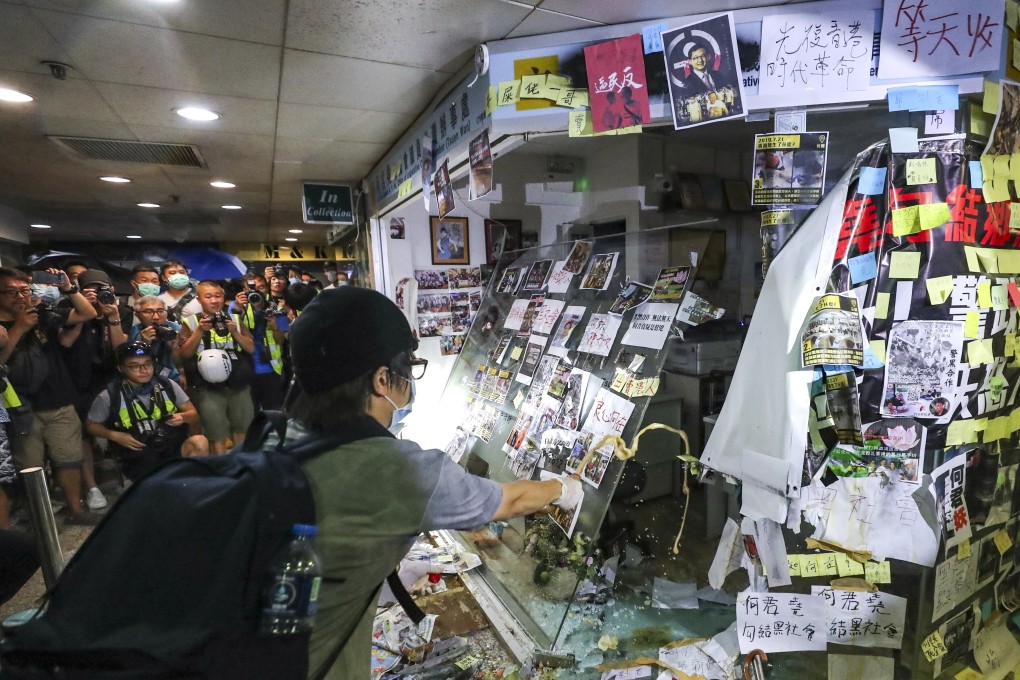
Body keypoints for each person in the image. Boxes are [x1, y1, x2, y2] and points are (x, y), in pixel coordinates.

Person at [282, 287, 583, 678]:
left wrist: (382, 580)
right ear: (381, 380)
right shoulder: (395, 468)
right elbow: (509, 501)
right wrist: (566, 489)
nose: (410, 380)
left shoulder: (279, 437)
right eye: (408, 366)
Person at [0, 267, 99, 524]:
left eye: (24, 290)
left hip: (59, 399)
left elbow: (88, 313)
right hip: (20, 407)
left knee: (69, 458)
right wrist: (19, 328)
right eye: (12, 292)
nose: (20, 297)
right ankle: (39, 518)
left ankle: (75, 510)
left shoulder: (41, 314)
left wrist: (69, 288)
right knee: (31, 467)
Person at [86, 342, 203, 482]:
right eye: (135, 366)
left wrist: (183, 417)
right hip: (137, 455)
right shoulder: (109, 395)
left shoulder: (168, 384)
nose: (144, 370)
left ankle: (195, 484)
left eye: (148, 364)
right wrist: (114, 435)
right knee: (159, 485)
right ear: (121, 368)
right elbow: (91, 425)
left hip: (171, 446)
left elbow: (194, 415)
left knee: (199, 442)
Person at [63, 269, 131, 511]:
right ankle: (92, 487)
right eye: (90, 288)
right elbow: (65, 342)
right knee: (83, 435)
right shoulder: (68, 307)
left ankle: (126, 476)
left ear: (111, 289)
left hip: (112, 377)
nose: (99, 293)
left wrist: (111, 316)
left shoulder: (121, 310)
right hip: (78, 380)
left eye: (102, 288)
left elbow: (120, 349)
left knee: (120, 426)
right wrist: (84, 310)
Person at [178, 280, 255, 454]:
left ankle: (242, 466)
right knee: (216, 433)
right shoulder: (190, 322)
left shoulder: (235, 318)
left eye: (218, 296)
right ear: (199, 300)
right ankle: (223, 470)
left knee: (243, 428)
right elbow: (184, 354)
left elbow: (250, 347)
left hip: (238, 384)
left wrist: (235, 332)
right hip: (208, 388)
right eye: (208, 296)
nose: (214, 300)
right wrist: (199, 331)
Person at [128, 295, 183, 386]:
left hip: (172, 378)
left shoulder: (175, 328)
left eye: (161, 311)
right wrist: (144, 343)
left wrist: (174, 347)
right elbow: (132, 364)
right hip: (144, 380)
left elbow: (181, 362)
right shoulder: (134, 331)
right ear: (137, 315)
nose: (156, 317)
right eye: (149, 312)